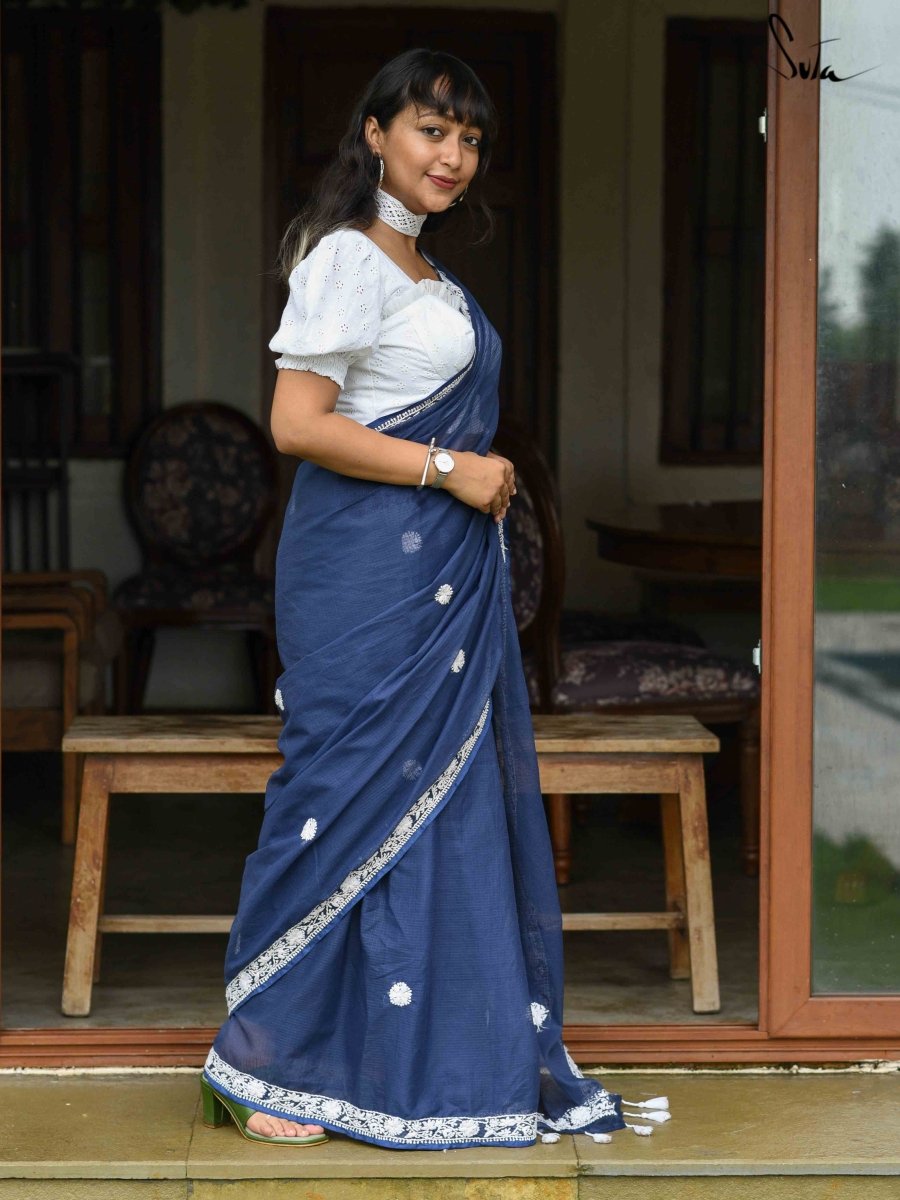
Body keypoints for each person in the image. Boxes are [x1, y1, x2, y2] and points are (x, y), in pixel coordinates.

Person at [200, 46, 670, 1151]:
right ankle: (256, 1064)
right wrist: (449, 469)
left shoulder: (428, 275)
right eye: (431, 129)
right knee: (338, 794)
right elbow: (296, 424)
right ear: (376, 134)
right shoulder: (346, 259)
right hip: (365, 578)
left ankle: (397, 1065)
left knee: (436, 811)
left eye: (470, 139)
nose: (453, 155)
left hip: (439, 581)